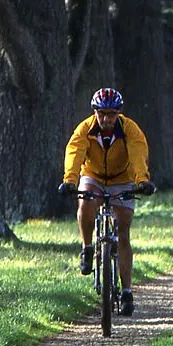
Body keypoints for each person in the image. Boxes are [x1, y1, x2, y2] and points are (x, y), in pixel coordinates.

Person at [58, 88, 156, 317]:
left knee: (123, 232)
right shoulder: (85, 128)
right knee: (85, 203)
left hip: (122, 179)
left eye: (111, 114)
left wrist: (142, 180)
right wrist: (70, 181)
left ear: (118, 114)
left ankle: (127, 292)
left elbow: (138, 152)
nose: (106, 119)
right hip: (92, 175)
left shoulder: (129, 129)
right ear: (95, 112)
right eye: (102, 114)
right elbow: (74, 152)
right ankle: (87, 247)